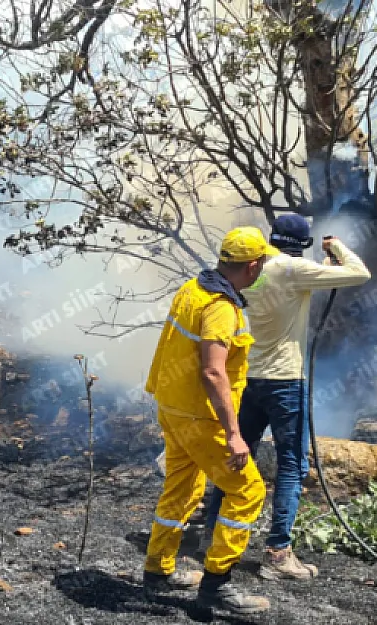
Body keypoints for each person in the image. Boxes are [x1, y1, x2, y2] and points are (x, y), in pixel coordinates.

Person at [203, 214, 370, 580]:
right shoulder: (296, 270)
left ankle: (210, 535)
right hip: (285, 382)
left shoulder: (253, 271)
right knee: (291, 466)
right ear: (302, 243)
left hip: (248, 379)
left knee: (233, 458)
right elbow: (360, 273)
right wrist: (335, 246)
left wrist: (317, 269)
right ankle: (278, 553)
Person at [141, 226, 278, 615]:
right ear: (252, 266)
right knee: (248, 491)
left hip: (173, 407)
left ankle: (157, 571)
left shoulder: (193, 288)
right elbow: (214, 372)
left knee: (182, 487)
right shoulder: (221, 307)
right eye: (261, 264)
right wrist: (234, 435)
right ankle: (217, 585)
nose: (262, 269)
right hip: (202, 418)